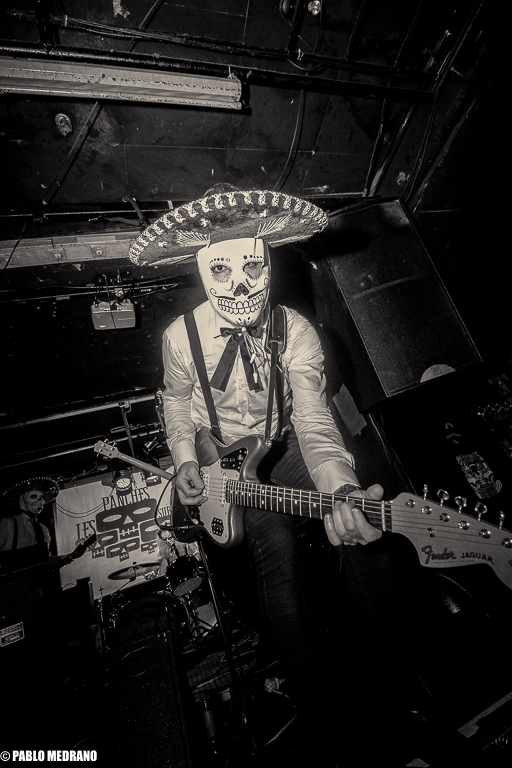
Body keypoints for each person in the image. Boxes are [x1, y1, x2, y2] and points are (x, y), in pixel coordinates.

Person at [129, 186, 384, 759]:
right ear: (202, 271)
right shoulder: (180, 338)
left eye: (252, 267)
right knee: (278, 554)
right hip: (221, 457)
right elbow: (176, 403)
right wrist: (186, 457)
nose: (242, 286)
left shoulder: (296, 330)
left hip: (281, 442)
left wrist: (341, 486)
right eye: (223, 271)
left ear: (269, 263)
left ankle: (397, 670)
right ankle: (321, 721)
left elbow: (314, 417)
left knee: (359, 518)